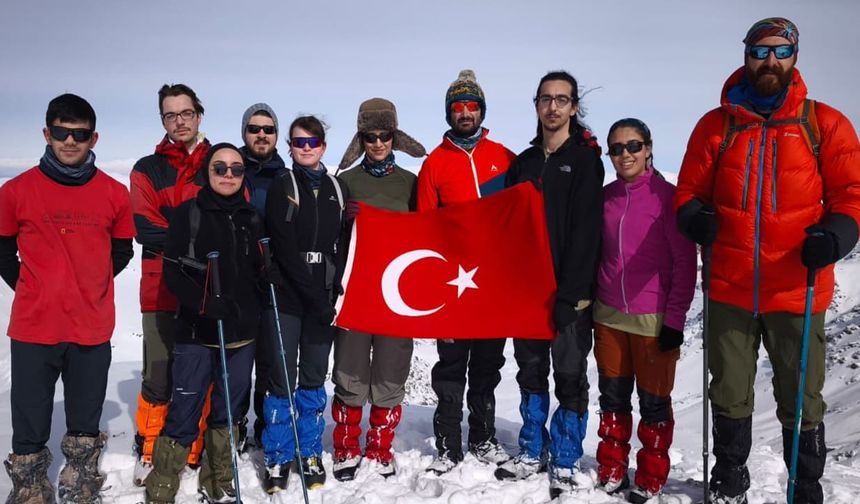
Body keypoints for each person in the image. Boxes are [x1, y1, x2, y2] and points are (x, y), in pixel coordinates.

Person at [674, 18, 860, 504]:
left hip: (798, 288)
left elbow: (851, 196)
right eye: (760, 51)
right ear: (746, 56)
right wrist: (695, 217)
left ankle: (805, 488)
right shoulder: (716, 126)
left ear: (795, 56)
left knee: (802, 400)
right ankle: (730, 483)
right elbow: (688, 191)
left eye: (780, 51)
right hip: (730, 286)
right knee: (730, 392)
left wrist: (837, 235)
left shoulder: (825, 124)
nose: (770, 61)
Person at [0, 93, 134, 503]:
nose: (70, 141)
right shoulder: (16, 191)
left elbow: (123, 249)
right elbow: (4, 250)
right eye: (61, 132)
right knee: (30, 412)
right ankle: (30, 485)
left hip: (90, 327)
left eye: (79, 134)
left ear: (94, 138)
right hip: (34, 326)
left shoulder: (114, 193)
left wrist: (88, 283)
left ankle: (79, 476)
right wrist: (34, 286)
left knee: (84, 411)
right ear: (47, 133)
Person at [494, 71, 604, 500]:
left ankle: (565, 455)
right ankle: (531, 448)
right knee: (531, 372)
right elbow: (507, 227)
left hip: (569, 295)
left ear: (574, 107)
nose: (553, 107)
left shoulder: (584, 161)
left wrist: (570, 294)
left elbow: (585, 233)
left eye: (562, 99)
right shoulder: (522, 164)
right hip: (526, 291)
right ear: (536, 104)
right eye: (546, 99)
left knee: (571, 375)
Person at [145, 142, 264, 504]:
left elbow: (256, 270)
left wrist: (266, 278)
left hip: (241, 335)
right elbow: (173, 272)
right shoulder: (187, 215)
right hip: (196, 332)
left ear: (243, 175)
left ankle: (219, 477)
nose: (228, 175)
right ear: (207, 173)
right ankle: (164, 479)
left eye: (236, 169)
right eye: (219, 168)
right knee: (185, 407)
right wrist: (202, 303)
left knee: (228, 411)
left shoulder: (252, 217)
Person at [418, 70, 516, 474]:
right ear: (448, 113)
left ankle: (482, 436)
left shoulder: (505, 158)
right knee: (451, 364)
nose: (464, 112)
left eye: (471, 105)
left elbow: (520, 217)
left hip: (493, 283)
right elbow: (423, 228)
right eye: (457, 107)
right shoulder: (435, 165)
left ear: (481, 111)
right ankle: (447, 442)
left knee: (488, 365)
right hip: (452, 284)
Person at [593, 118, 696, 503]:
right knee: (612, 398)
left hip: (653, 319)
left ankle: (651, 476)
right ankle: (611, 468)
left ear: (649, 148)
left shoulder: (668, 199)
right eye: (616, 149)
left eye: (633, 146)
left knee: (654, 404)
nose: (625, 155)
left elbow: (685, 265)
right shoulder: (605, 198)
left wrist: (675, 320)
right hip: (607, 316)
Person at [329, 97, 426, 481]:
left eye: (385, 135)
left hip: (396, 297)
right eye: (370, 136)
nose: (378, 143)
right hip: (354, 292)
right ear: (361, 138)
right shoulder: (346, 181)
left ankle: (380, 447)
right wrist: (343, 221)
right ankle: (346, 447)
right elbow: (330, 237)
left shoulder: (411, 183)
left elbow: (426, 235)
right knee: (350, 371)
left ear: (395, 137)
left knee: (390, 371)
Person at [130, 83, 212, 483]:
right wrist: (199, 240)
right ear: (162, 119)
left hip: (204, 287)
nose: (179, 121)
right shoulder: (147, 168)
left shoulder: (219, 162)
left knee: (198, 369)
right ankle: (149, 446)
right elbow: (145, 226)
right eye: (170, 115)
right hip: (159, 284)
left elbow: (231, 217)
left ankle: (192, 445)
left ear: (199, 114)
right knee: (159, 370)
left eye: (186, 113)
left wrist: (180, 235)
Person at [262, 115, 346, 491]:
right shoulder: (284, 185)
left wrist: (336, 289)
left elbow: (343, 247)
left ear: (323, 146)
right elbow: (283, 245)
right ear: (290, 148)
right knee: (281, 377)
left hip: (323, 300)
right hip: (289, 298)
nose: (306, 148)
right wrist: (314, 297)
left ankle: (309, 449)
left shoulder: (337, 189)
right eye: (299, 142)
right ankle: (278, 455)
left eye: (312, 142)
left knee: (313, 376)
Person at [237, 103, 288, 448]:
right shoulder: (230, 169)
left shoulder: (285, 176)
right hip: (238, 282)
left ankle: (264, 427)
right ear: (245, 132)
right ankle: (234, 427)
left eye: (268, 130)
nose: (261, 135)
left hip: (273, 283)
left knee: (269, 365)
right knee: (237, 364)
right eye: (254, 128)